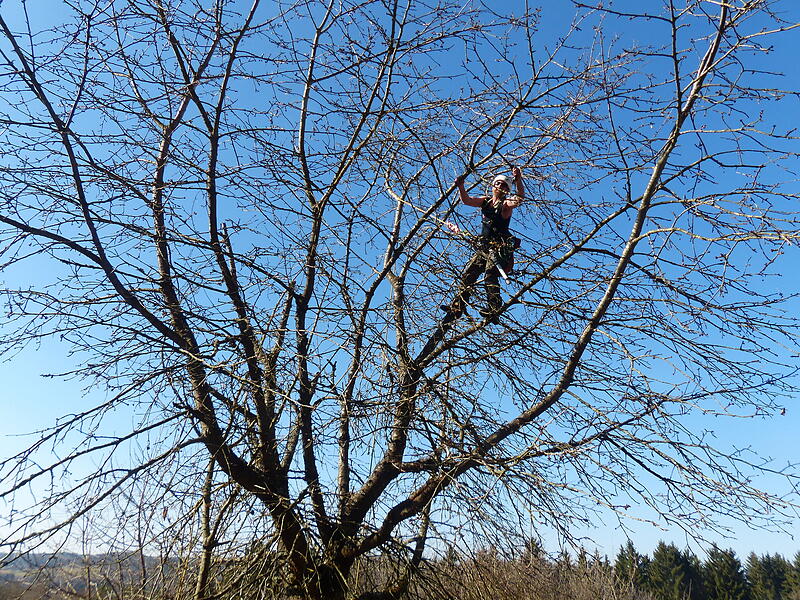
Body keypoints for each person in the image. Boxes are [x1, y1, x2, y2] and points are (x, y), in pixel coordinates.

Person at [441, 166, 524, 325]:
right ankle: (458, 306)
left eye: (504, 185)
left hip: (500, 247)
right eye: (498, 184)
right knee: (469, 274)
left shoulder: (506, 204)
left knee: (490, 274)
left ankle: (494, 308)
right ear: (493, 185)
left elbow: (519, 198)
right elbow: (467, 200)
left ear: (507, 189)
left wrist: (518, 180)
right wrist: (461, 186)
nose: (500, 187)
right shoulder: (485, 201)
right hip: (484, 246)